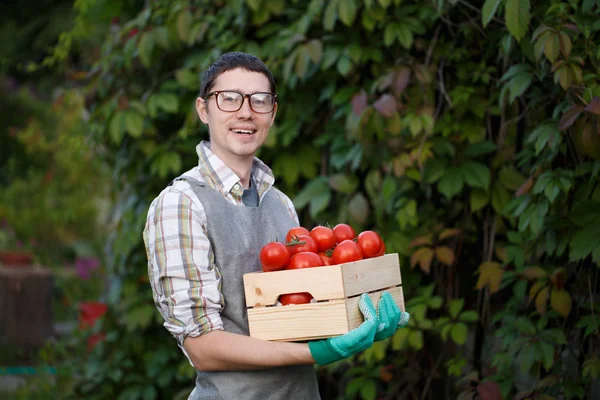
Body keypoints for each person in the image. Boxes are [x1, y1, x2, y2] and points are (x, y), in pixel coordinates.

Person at [143, 52, 410, 400]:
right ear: (203, 109)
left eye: (260, 100)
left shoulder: (280, 203)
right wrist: (317, 353)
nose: (245, 111)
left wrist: (356, 317)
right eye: (229, 98)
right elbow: (202, 347)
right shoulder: (181, 204)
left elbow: (298, 315)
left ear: (273, 113)